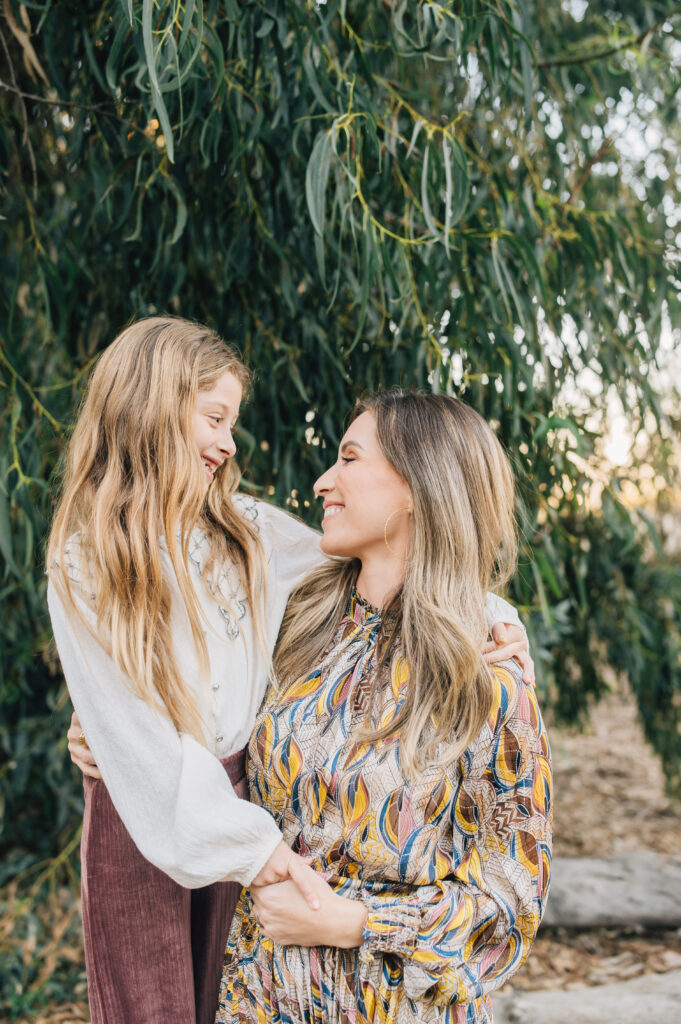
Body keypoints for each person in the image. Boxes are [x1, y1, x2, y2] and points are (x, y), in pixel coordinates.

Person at [50, 317, 530, 1024]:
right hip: (145, 809)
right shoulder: (82, 560)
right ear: (150, 408)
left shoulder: (245, 533)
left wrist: (489, 614)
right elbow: (127, 724)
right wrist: (105, 738)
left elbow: (380, 565)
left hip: (245, 803)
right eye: (213, 417)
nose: (228, 441)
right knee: (150, 1006)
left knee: (227, 984)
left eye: (231, 421)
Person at [216, 391, 552, 1024]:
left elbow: (513, 897)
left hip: (391, 1008)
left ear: (417, 488)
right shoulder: (291, 630)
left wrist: (357, 923)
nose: (321, 482)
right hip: (260, 999)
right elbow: (194, 694)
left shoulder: (485, 679)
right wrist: (111, 730)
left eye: (348, 459)